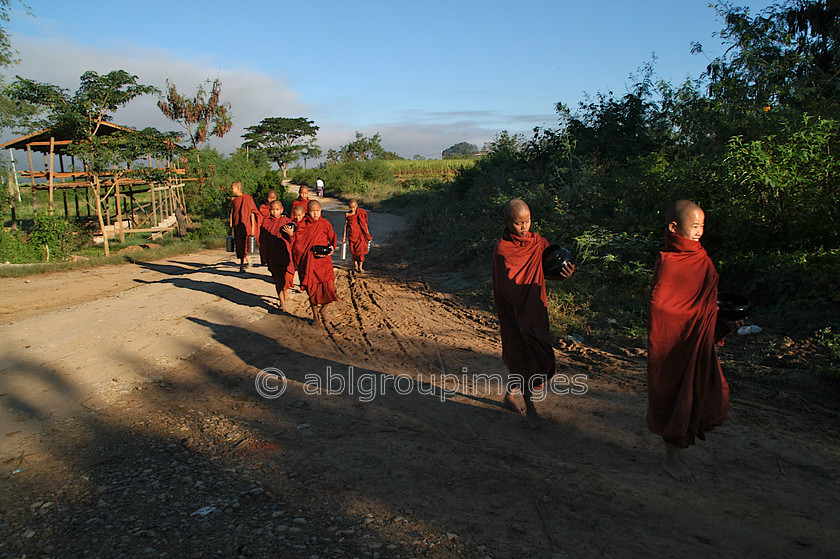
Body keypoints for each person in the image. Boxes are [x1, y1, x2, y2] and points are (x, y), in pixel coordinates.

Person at [646, 199, 730, 482]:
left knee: (705, 391)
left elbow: (707, 300)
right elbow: (661, 306)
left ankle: (679, 448)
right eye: (694, 226)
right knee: (675, 394)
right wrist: (697, 314)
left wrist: (720, 319)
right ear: (674, 227)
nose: (699, 232)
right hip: (674, 341)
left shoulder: (701, 258)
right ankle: (672, 457)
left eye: (702, 226)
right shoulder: (668, 261)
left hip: (697, 338)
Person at [492, 198, 575, 428]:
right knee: (526, 352)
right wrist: (520, 309)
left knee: (527, 353)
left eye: (528, 221)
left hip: (534, 309)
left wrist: (563, 273)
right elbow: (506, 286)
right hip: (515, 311)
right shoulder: (503, 250)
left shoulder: (537, 242)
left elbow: (545, 270)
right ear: (507, 223)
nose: (525, 227)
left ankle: (510, 393)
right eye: (519, 223)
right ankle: (532, 411)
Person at [293, 199, 338, 326]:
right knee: (312, 291)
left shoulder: (324, 223)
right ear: (308, 211)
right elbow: (297, 242)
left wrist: (331, 248)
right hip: (309, 263)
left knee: (329, 289)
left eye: (317, 211)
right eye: (312, 211)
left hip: (324, 263)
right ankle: (315, 317)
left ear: (321, 211)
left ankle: (323, 310)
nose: (315, 214)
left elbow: (332, 237)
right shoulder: (303, 225)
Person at [260, 200, 296, 311]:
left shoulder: (286, 221)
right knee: (277, 279)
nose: (274, 212)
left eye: (277, 209)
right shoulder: (266, 222)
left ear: (282, 209)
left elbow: (293, 239)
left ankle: (285, 290)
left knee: (287, 276)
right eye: (272, 209)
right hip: (273, 254)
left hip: (285, 254)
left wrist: (291, 235)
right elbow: (262, 239)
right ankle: (282, 301)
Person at [229, 181, 259, 273]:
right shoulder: (234, 200)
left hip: (246, 225)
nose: (231, 189)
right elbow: (232, 213)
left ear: (238, 188)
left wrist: (253, 228)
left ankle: (243, 265)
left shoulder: (247, 198)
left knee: (245, 245)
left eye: (232, 187)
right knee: (239, 245)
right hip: (237, 225)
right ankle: (244, 263)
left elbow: (252, 213)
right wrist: (230, 226)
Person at [343, 199, 373, 272]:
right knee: (353, 251)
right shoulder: (347, 214)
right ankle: (355, 265)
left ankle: (360, 266)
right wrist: (344, 237)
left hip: (360, 235)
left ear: (357, 206)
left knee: (361, 252)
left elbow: (364, 224)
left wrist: (367, 234)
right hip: (351, 235)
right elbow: (346, 226)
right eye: (350, 207)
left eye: (353, 207)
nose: (352, 209)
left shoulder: (360, 213)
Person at [256, 189, 278, 267]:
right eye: (269, 198)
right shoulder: (263, 208)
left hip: (275, 233)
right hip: (265, 232)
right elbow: (259, 221)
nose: (271, 200)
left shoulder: (278, 208)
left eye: (273, 198)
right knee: (266, 250)